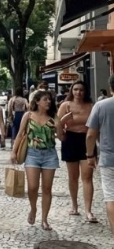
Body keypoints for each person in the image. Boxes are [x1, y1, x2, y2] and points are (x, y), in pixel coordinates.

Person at [11, 90, 58, 231]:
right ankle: (33, 208)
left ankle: (44, 219)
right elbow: (20, 135)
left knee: (47, 188)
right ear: (37, 101)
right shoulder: (28, 115)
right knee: (32, 187)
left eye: (49, 99)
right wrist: (13, 152)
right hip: (32, 153)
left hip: (49, 154)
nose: (48, 102)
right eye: (45, 99)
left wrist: (60, 125)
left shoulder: (53, 117)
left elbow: (62, 137)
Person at [57, 81, 97, 222]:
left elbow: (96, 125)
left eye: (81, 90)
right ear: (71, 91)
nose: (78, 93)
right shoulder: (65, 105)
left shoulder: (91, 106)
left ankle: (88, 210)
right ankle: (74, 205)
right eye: (75, 90)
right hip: (71, 140)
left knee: (87, 177)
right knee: (73, 176)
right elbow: (57, 125)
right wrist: (64, 119)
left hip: (87, 140)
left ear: (85, 91)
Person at [86, 75, 114, 238]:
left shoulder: (101, 105)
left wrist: (90, 155)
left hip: (108, 159)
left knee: (111, 198)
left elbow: (90, 135)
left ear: (110, 87)